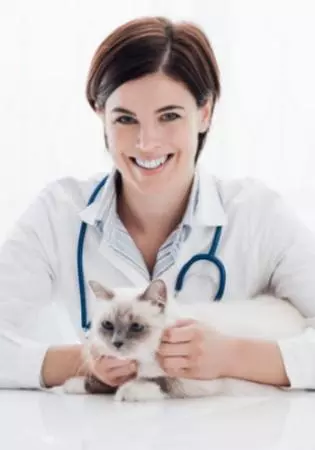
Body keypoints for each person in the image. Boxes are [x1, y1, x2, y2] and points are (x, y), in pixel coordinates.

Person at [1, 15, 315, 392]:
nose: (147, 142)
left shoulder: (258, 216)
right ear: (101, 116)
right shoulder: (57, 213)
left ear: (205, 113)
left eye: (169, 116)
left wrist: (231, 356)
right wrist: (86, 361)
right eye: (125, 119)